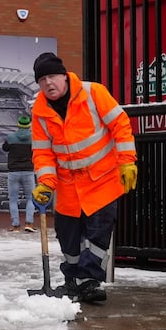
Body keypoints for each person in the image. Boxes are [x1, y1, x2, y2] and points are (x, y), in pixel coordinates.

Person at [30, 52, 137, 304]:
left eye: (52, 76)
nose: (48, 83)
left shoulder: (93, 93)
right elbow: (43, 153)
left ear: (64, 75)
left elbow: (120, 125)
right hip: (68, 186)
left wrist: (127, 162)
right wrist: (45, 183)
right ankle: (73, 280)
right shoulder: (40, 112)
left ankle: (88, 281)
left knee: (98, 233)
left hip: (102, 179)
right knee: (68, 237)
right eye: (42, 79)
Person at [2, 114, 37, 233]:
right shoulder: (34, 137)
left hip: (13, 172)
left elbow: (5, 148)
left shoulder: (10, 137)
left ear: (18, 125)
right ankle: (29, 223)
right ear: (29, 125)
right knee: (31, 199)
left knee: (13, 199)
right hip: (28, 171)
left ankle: (16, 225)